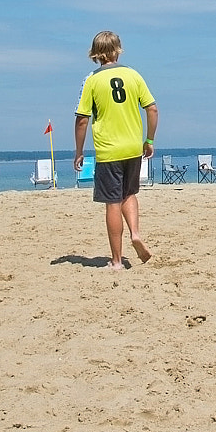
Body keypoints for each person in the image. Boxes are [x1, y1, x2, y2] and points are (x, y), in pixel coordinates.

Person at [71, 32, 157, 272]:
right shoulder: (133, 75)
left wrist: (79, 151)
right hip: (132, 147)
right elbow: (152, 109)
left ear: (95, 54)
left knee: (112, 202)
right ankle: (136, 234)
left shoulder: (91, 80)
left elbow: (81, 120)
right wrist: (149, 140)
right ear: (118, 50)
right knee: (129, 194)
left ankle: (117, 260)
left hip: (109, 150)